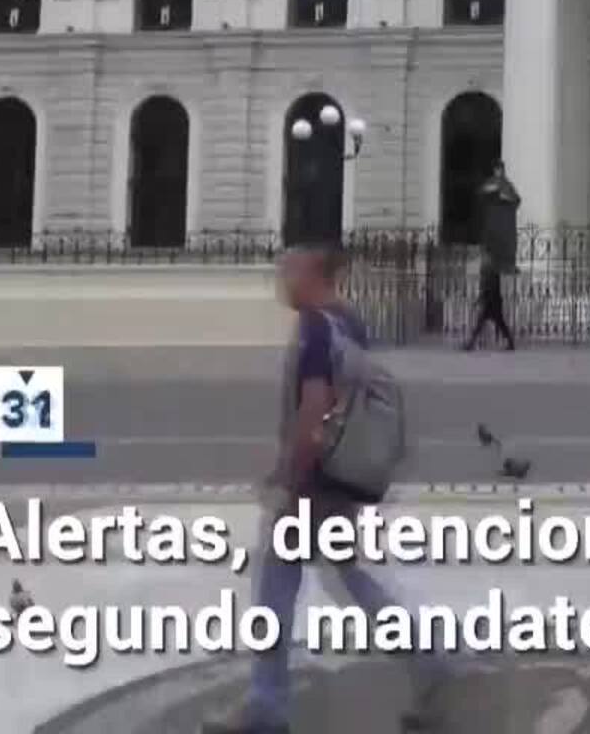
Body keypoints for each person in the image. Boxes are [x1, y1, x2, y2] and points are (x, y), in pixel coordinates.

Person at [204, 246, 452, 734]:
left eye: (289, 270)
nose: (282, 280)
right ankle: (430, 665)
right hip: (340, 477)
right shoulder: (349, 323)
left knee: (276, 588)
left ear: (313, 274)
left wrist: (290, 478)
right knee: (350, 577)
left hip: (313, 482)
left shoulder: (316, 328)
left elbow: (314, 408)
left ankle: (267, 706)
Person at [462, 251, 515, 352]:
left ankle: (470, 344)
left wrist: (480, 299)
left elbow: (488, 288)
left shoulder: (490, 271)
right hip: (492, 302)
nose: (483, 260)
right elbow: (487, 288)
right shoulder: (490, 271)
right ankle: (471, 343)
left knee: (490, 324)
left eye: (484, 258)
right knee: (493, 324)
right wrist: (480, 298)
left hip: (491, 303)